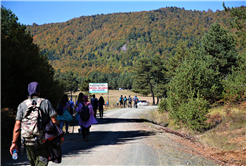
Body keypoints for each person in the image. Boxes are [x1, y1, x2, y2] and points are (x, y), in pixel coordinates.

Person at [9, 81, 63, 166]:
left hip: (27, 139)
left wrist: (14, 142)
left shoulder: (22, 105)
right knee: (42, 162)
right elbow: (54, 121)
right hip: (42, 139)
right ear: (39, 91)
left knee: (33, 163)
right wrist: (59, 134)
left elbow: (17, 124)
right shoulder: (46, 103)